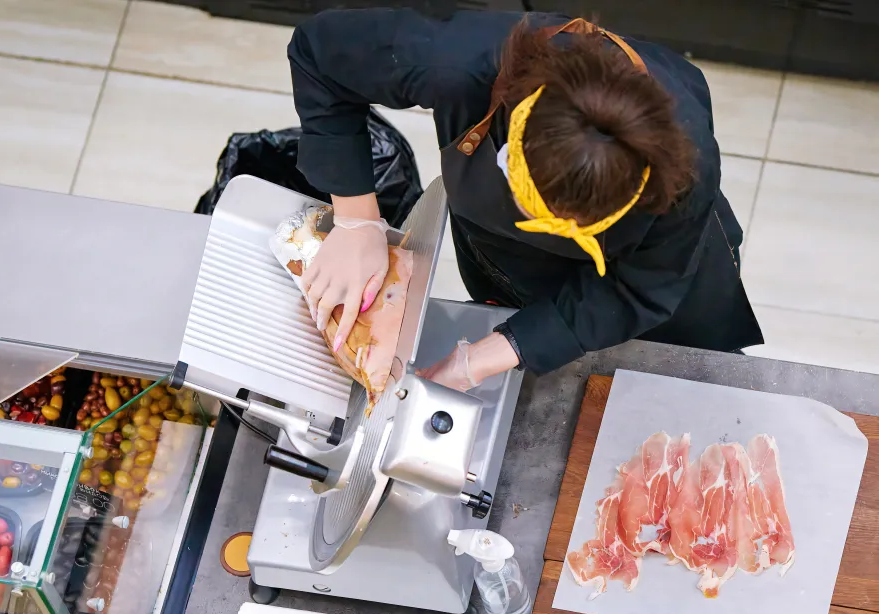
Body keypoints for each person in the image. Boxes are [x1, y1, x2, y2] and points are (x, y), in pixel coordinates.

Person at [288, 9, 763, 391]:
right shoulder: (460, 64)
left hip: (654, 275)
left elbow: (638, 289)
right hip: (503, 254)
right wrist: (356, 221)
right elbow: (318, 54)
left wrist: (485, 357)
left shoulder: (686, 163)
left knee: (684, 382)